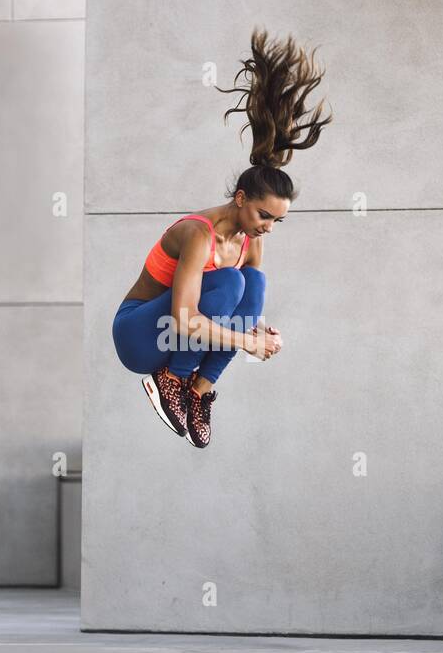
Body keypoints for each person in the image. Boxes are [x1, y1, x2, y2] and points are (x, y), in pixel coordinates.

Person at [111, 28, 333, 448]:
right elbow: (185, 320)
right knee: (230, 280)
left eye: (275, 221)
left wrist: (261, 332)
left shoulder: (252, 241)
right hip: (140, 336)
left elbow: (241, 310)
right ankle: (171, 379)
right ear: (240, 198)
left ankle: (198, 390)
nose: (266, 226)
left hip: (177, 336)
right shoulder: (198, 234)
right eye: (263, 214)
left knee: (253, 283)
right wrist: (247, 342)